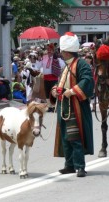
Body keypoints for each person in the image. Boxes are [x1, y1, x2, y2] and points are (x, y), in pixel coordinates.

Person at [50, 32, 94, 177]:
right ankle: (69, 165)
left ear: (66, 51)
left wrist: (72, 91)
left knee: (75, 136)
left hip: (75, 106)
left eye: (62, 51)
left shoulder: (81, 64)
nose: (61, 53)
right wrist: (55, 90)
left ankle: (80, 166)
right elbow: (59, 83)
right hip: (64, 104)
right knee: (65, 136)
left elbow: (87, 81)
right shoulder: (65, 66)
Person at [40, 43, 66, 111]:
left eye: (50, 50)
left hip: (53, 78)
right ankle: (49, 106)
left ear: (53, 50)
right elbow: (39, 66)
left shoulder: (56, 58)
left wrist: (57, 59)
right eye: (48, 50)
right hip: (46, 78)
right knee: (47, 92)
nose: (49, 51)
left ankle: (54, 105)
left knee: (53, 92)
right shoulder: (44, 57)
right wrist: (38, 59)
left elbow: (63, 65)